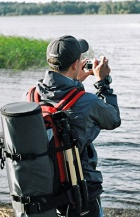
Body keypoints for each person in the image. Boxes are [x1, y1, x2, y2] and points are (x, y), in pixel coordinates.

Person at [30, 35, 121, 217]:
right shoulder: (86, 101)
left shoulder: (33, 95)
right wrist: (103, 82)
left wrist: (75, 83)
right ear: (75, 64)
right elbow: (113, 119)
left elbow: (62, 105)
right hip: (81, 190)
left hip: (47, 188)